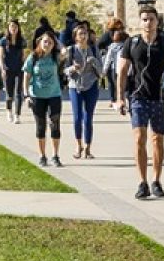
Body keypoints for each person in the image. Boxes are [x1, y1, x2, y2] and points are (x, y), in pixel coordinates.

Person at [118, 7, 164, 200]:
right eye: (144, 19)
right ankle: (142, 182)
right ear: (140, 22)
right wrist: (119, 97)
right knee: (139, 138)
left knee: (157, 140)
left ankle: (156, 180)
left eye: (151, 19)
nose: (148, 23)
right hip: (138, 97)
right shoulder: (132, 43)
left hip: (160, 98)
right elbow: (123, 70)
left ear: (157, 21)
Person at [25, 33, 66, 167]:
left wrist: (56, 42)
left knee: (55, 125)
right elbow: (26, 76)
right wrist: (26, 95)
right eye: (45, 42)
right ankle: (42, 155)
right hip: (37, 96)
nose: (47, 44)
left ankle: (55, 155)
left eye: (50, 42)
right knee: (40, 127)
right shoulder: (33, 57)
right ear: (39, 43)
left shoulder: (55, 56)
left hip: (54, 95)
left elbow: (65, 52)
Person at [64, 26, 102, 160]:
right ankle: (78, 145)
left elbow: (101, 70)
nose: (83, 36)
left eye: (85, 33)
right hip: (75, 86)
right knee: (77, 117)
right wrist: (73, 68)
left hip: (91, 86)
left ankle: (88, 147)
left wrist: (94, 61)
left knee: (88, 118)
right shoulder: (71, 50)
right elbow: (64, 70)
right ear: (75, 37)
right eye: (80, 34)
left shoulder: (93, 49)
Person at [1, 20, 29, 124]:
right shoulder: (3, 41)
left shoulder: (21, 40)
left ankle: (17, 114)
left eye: (15, 26)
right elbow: (1, 56)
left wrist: (25, 67)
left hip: (19, 68)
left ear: (18, 28)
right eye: (11, 26)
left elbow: (23, 55)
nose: (13, 28)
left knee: (18, 92)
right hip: (8, 69)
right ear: (8, 28)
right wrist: (2, 68)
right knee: (9, 93)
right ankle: (9, 111)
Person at [102, 25, 129, 104]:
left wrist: (104, 70)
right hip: (126, 69)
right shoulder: (126, 46)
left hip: (115, 68)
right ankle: (124, 98)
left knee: (117, 85)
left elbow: (108, 59)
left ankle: (118, 99)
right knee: (125, 85)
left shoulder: (112, 47)